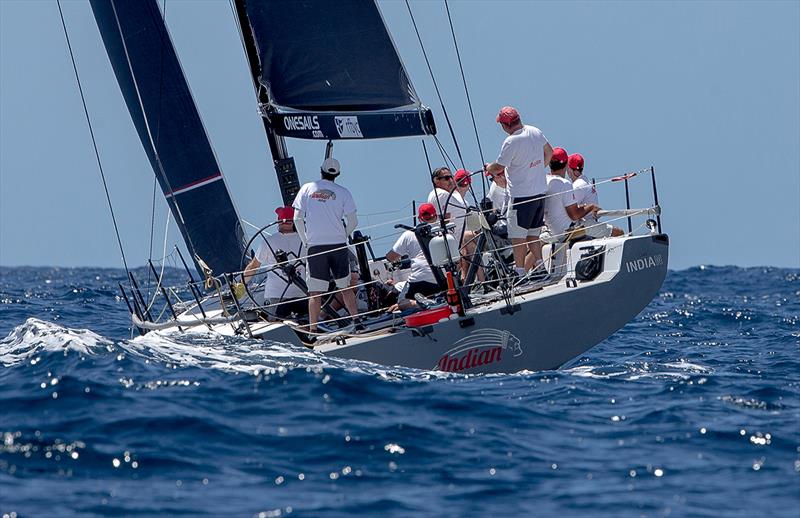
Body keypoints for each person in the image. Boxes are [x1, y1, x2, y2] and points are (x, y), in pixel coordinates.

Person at [484, 106, 554, 277]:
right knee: (533, 233)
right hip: (539, 193)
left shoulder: (511, 141)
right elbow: (550, 152)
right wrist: (537, 170)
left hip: (521, 197)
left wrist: (488, 167)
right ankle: (540, 268)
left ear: (505, 125)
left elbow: (499, 166)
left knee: (518, 236)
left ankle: (520, 273)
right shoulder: (534, 131)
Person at [292, 157, 359, 335]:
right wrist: (342, 235)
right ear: (337, 174)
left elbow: (297, 219)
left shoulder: (307, 188)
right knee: (345, 287)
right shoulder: (344, 192)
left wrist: (306, 241)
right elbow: (353, 221)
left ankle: (313, 331)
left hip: (315, 246)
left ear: (320, 170)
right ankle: (357, 322)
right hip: (337, 245)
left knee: (314, 293)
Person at [541, 148, 602, 273]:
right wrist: (590, 207)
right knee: (618, 232)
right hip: (567, 232)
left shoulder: (542, 181)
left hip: (550, 229)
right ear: (565, 166)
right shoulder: (566, 184)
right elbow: (575, 215)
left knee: (536, 240)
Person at [243, 206, 307, 319]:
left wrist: (242, 284)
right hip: (302, 293)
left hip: (278, 296)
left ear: (278, 221)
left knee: (275, 324)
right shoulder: (305, 240)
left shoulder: (268, 242)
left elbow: (254, 266)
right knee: (306, 320)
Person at [385, 203, 442, 308]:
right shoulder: (445, 230)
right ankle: (436, 299)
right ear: (436, 216)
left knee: (401, 303)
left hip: (420, 278)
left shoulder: (409, 234)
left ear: (420, 219)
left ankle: (418, 303)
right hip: (443, 278)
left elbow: (390, 257)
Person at [568, 153, 623, 238]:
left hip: (584, 225)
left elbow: (571, 210)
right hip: (586, 223)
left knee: (619, 233)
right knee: (620, 233)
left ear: (569, 169)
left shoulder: (577, 186)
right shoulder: (586, 182)